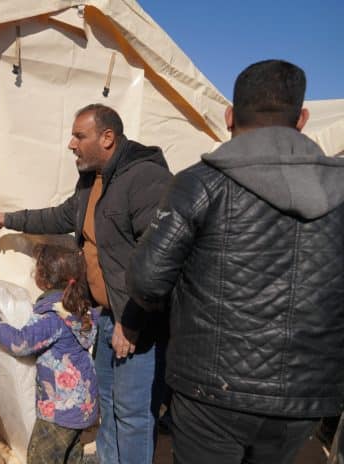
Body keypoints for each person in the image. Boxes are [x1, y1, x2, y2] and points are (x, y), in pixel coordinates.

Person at [127, 59, 344, 464]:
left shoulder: (200, 182)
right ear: (302, 119)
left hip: (210, 393)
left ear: (229, 116)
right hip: (304, 396)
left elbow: (147, 280)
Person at [0, 104, 172, 464]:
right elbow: (62, 215)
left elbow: (160, 259)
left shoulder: (146, 180)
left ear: (107, 138)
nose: (71, 144)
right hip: (105, 314)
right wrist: (11, 219)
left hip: (137, 321)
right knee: (108, 403)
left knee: (132, 414)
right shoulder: (92, 180)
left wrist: (131, 321)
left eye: (79, 136)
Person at [0, 244, 98, 463]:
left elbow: (20, 343)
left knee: (40, 457)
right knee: (71, 455)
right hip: (84, 404)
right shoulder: (82, 308)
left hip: (60, 411)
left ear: (43, 280)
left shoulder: (51, 317)